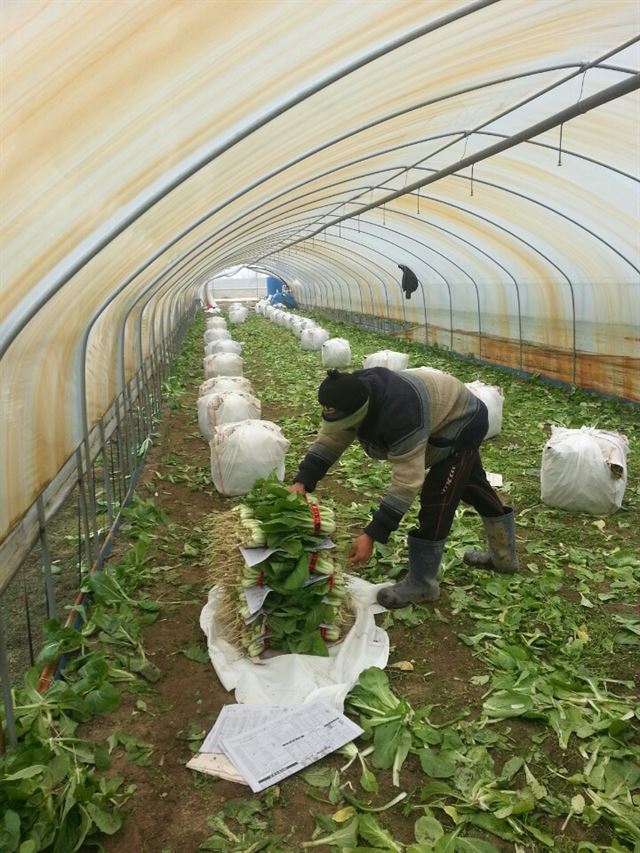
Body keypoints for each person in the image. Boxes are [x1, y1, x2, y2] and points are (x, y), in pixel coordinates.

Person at [290, 366, 518, 609]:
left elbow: (406, 482)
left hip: (461, 421)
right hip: (440, 411)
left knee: (438, 498)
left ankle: (423, 584)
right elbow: (331, 439)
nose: (348, 429)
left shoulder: (400, 413)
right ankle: (504, 559)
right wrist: (302, 482)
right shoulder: (349, 393)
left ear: (363, 412)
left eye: (350, 424)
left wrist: (372, 534)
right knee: (472, 486)